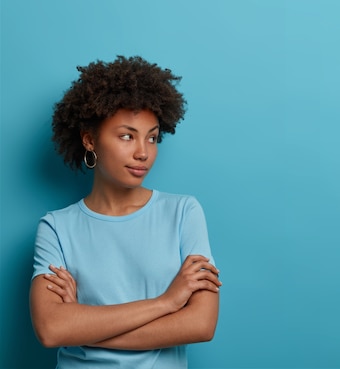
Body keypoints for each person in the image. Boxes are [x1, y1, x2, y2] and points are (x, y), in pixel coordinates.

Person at [29, 56, 221, 369]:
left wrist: (80, 325)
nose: (143, 152)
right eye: (127, 136)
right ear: (90, 140)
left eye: (152, 137)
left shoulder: (184, 212)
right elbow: (51, 329)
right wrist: (166, 303)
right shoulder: (56, 228)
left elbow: (200, 324)